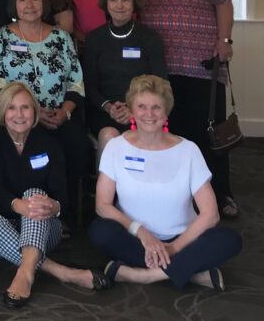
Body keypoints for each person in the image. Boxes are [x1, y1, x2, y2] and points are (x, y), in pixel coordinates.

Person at [133, 0, 238, 218]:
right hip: (157, 66)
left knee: (207, 133)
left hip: (202, 62)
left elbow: (223, 0)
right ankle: (178, 199)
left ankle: (220, 195)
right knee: (169, 134)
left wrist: (224, 40)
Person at [89, 75, 241, 290]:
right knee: (100, 232)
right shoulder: (116, 147)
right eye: (141, 106)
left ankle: (145, 275)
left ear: (166, 111)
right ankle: (191, 273)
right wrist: (142, 233)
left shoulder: (188, 150)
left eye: (156, 107)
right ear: (131, 109)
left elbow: (211, 214)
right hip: (136, 238)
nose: (149, 114)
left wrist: (173, 248)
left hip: (183, 239)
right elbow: (102, 205)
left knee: (229, 240)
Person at [0, 83, 111, 309]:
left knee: (36, 195)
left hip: (43, 228)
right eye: (11, 108)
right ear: (2, 112)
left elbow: (62, 200)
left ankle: (25, 273)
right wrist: (19, 205)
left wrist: (52, 206)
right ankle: (63, 272)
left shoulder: (49, 144)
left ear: (35, 112)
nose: (19, 115)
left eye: (25, 108)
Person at [0, 0, 89, 229]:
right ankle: (21, 210)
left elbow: (76, 82)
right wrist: (33, 114)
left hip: (59, 114)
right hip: (17, 118)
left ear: (44, 4)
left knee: (78, 145)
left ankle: (61, 214)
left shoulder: (61, 37)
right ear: (14, 4)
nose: (29, 4)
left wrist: (65, 112)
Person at [82, 0, 167, 159]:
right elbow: (89, 85)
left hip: (144, 110)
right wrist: (109, 107)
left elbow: (161, 83)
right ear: (106, 4)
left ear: (133, 3)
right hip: (104, 111)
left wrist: (134, 110)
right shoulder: (95, 39)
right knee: (109, 136)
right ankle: (105, 188)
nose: (119, 5)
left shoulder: (149, 38)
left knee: (133, 136)